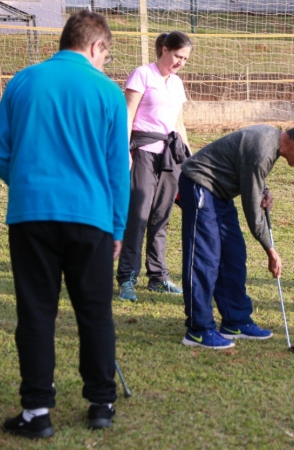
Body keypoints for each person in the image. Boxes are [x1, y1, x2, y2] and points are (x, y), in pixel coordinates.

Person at [0, 10, 129, 437]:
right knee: (95, 311)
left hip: (32, 215)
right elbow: (117, 170)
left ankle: (36, 412)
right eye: (106, 54)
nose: (105, 63)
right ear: (95, 47)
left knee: (36, 313)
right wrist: (118, 227)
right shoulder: (107, 93)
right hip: (91, 217)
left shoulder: (23, 80)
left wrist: (28, 182)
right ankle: (100, 403)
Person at [178, 121, 294, 349]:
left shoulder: (271, 143)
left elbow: (248, 175)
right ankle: (198, 329)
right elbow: (251, 209)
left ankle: (235, 320)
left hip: (219, 193)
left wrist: (263, 191)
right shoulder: (262, 150)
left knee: (233, 254)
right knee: (205, 258)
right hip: (200, 185)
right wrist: (271, 251)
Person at [116, 31, 193, 301]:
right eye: (177, 56)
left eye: (185, 58)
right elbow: (127, 113)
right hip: (143, 153)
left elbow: (178, 123)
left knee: (162, 217)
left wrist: (190, 159)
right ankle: (127, 279)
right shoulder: (142, 74)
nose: (180, 62)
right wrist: (123, 152)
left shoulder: (177, 83)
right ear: (163, 49)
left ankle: (158, 278)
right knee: (138, 217)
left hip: (170, 156)